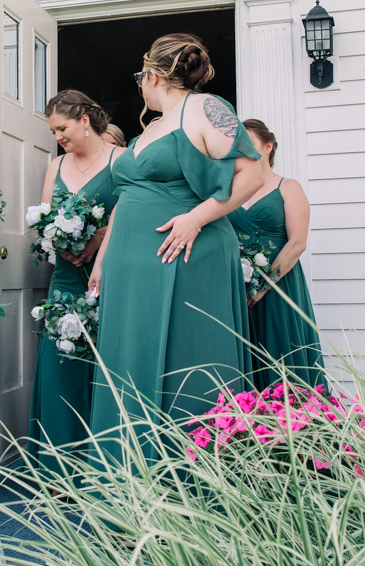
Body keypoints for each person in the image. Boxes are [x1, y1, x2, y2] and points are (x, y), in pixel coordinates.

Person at [88, 33, 262, 448]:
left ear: (151, 75)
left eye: (139, 76)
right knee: (128, 362)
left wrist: (195, 219)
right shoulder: (153, 127)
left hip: (183, 255)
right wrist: (102, 259)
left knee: (187, 360)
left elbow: (250, 175)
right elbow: (127, 199)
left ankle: (190, 478)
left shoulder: (206, 107)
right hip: (131, 267)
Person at [27, 90, 120, 466]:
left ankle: (103, 464)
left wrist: (97, 240)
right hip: (65, 276)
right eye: (53, 131)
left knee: (106, 366)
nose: (58, 137)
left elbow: (130, 215)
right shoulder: (56, 165)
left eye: (61, 128)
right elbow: (46, 217)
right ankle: (59, 465)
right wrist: (59, 243)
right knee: (61, 366)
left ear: (84, 119)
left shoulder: (122, 160)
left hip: (109, 274)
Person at [228, 119, 327, 392]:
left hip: (278, 286)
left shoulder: (288, 187)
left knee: (282, 357)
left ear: (268, 146)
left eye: (247, 144)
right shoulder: (229, 190)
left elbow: (297, 243)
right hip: (236, 290)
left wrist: (261, 286)